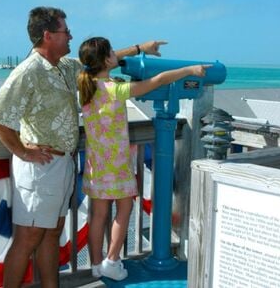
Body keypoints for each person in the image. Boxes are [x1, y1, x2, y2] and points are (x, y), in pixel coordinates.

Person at [0, 6, 167, 288]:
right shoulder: (28, 71)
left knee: (51, 233)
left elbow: (102, 60)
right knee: (28, 237)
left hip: (62, 164)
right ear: (48, 35)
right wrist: (23, 151)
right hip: (39, 169)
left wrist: (141, 47)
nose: (70, 36)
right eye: (65, 31)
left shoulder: (65, 67)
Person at [77, 36, 210, 281]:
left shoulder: (86, 84)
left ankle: (96, 264)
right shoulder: (115, 90)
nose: (116, 55)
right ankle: (112, 260)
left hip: (96, 164)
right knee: (125, 207)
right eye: (112, 53)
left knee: (98, 215)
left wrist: (141, 48)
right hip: (116, 163)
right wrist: (190, 70)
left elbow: (99, 62)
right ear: (107, 59)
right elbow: (157, 80)